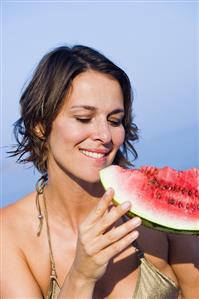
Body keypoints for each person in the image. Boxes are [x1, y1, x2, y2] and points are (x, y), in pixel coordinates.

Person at [1, 45, 198, 299]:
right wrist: (81, 276)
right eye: (84, 118)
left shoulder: (162, 224)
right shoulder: (7, 237)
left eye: (115, 120)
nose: (105, 136)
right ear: (40, 126)